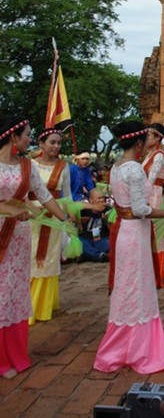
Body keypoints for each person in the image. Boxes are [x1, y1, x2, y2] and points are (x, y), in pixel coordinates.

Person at [94, 120, 164, 373]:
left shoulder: (116, 167)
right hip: (135, 232)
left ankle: (121, 344)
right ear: (139, 142)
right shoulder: (134, 169)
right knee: (139, 286)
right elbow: (141, 209)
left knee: (126, 285)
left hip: (124, 230)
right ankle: (140, 348)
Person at [0, 115, 68, 379]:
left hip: (19, 236)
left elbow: (45, 196)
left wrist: (66, 220)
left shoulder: (26, 166)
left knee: (16, 291)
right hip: (2, 234)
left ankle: (15, 354)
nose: (30, 138)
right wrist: (9, 209)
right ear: (13, 137)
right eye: (27, 134)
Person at [29, 128, 72, 324]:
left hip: (54, 218)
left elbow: (67, 194)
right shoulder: (30, 165)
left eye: (58, 143)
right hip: (33, 217)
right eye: (52, 142)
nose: (56, 146)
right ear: (41, 144)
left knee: (49, 259)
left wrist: (71, 217)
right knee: (31, 259)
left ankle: (43, 306)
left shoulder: (64, 167)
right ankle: (28, 307)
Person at [142, 123, 164, 287]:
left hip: (154, 194)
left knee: (155, 234)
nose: (147, 139)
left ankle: (157, 272)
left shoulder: (158, 156)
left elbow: (151, 180)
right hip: (149, 191)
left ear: (157, 137)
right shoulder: (149, 154)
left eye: (149, 136)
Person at [79, 188, 111, 262]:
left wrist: (106, 220)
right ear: (91, 200)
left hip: (102, 239)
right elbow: (73, 206)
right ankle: (99, 256)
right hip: (87, 239)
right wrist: (80, 221)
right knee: (80, 243)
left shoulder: (108, 210)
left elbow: (111, 229)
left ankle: (87, 255)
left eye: (103, 197)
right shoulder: (84, 210)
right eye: (99, 198)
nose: (102, 200)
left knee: (110, 242)